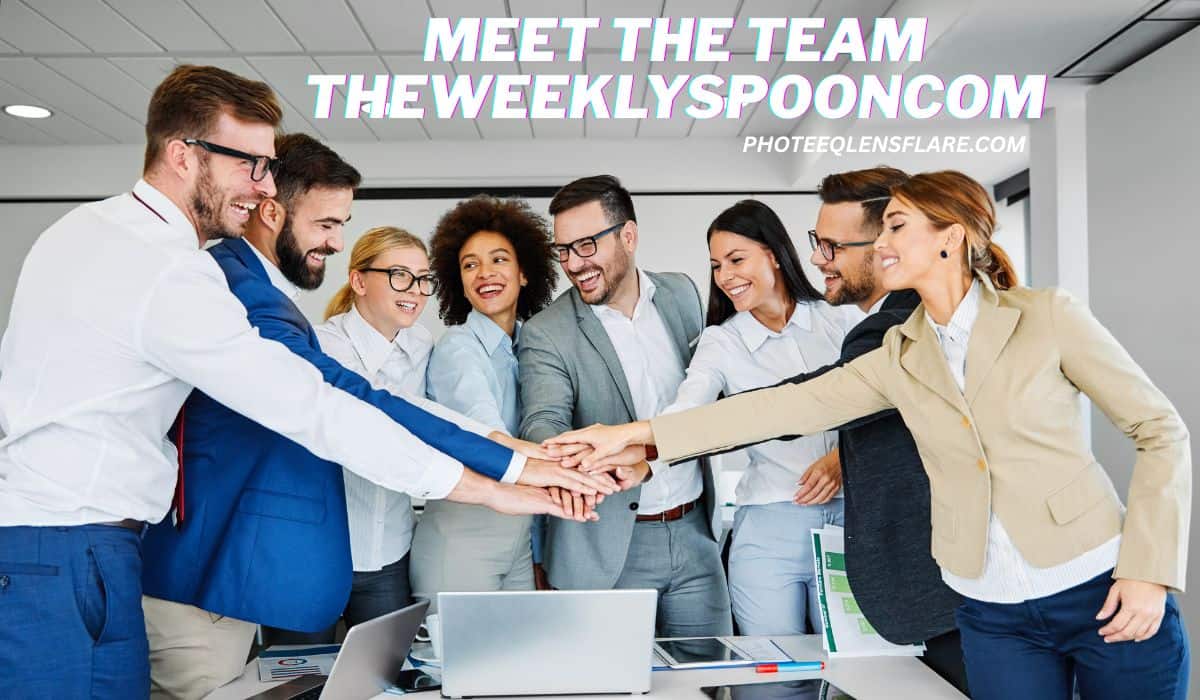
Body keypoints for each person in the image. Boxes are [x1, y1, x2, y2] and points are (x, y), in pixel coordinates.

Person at [0, 64, 572, 699]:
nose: (264, 187)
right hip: (69, 546)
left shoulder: (93, 230)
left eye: (268, 166)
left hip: (79, 544)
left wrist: (509, 462)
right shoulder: (174, 270)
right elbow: (313, 407)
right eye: (249, 164)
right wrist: (491, 484)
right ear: (182, 155)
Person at [549, 170, 1191, 700]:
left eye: (896, 227)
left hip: (1100, 587)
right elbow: (780, 407)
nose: (879, 243)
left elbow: (1160, 430)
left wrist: (1149, 570)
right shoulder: (900, 353)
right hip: (992, 614)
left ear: (950, 237)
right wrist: (636, 435)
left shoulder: (1046, 316)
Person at [519, 174, 730, 638]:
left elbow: (706, 402)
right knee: (609, 677)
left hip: (696, 533)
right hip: (606, 547)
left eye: (586, 245)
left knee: (709, 671)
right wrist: (583, 460)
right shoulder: (546, 332)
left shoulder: (681, 293)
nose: (574, 264)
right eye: (563, 250)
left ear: (628, 236)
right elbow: (543, 425)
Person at [789, 166, 967, 693]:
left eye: (832, 247)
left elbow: (799, 404)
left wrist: (649, 439)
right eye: (817, 242)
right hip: (952, 595)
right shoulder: (921, 318)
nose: (818, 259)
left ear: (889, 245)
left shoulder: (891, 329)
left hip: (946, 595)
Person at [660, 199, 847, 636]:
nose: (725, 276)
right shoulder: (721, 342)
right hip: (768, 528)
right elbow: (687, 410)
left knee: (858, 664)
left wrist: (843, 460)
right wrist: (637, 446)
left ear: (774, 254)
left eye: (736, 259)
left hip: (850, 521)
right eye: (716, 266)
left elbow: (886, 402)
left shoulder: (838, 319)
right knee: (774, 665)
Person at [259, 226, 438, 645]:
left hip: (387, 556)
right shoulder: (318, 345)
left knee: (382, 674)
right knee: (298, 675)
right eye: (399, 275)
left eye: (423, 278)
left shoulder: (423, 345)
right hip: (310, 557)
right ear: (358, 280)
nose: (415, 290)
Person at [408, 196, 562, 605]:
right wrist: (571, 467)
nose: (485, 273)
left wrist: (538, 552)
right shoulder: (458, 348)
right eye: (470, 265)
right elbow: (488, 439)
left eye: (499, 260)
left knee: (522, 647)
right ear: (458, 281)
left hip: (518, 542)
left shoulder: (533, 345)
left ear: (524, 273)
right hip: (461, 543)